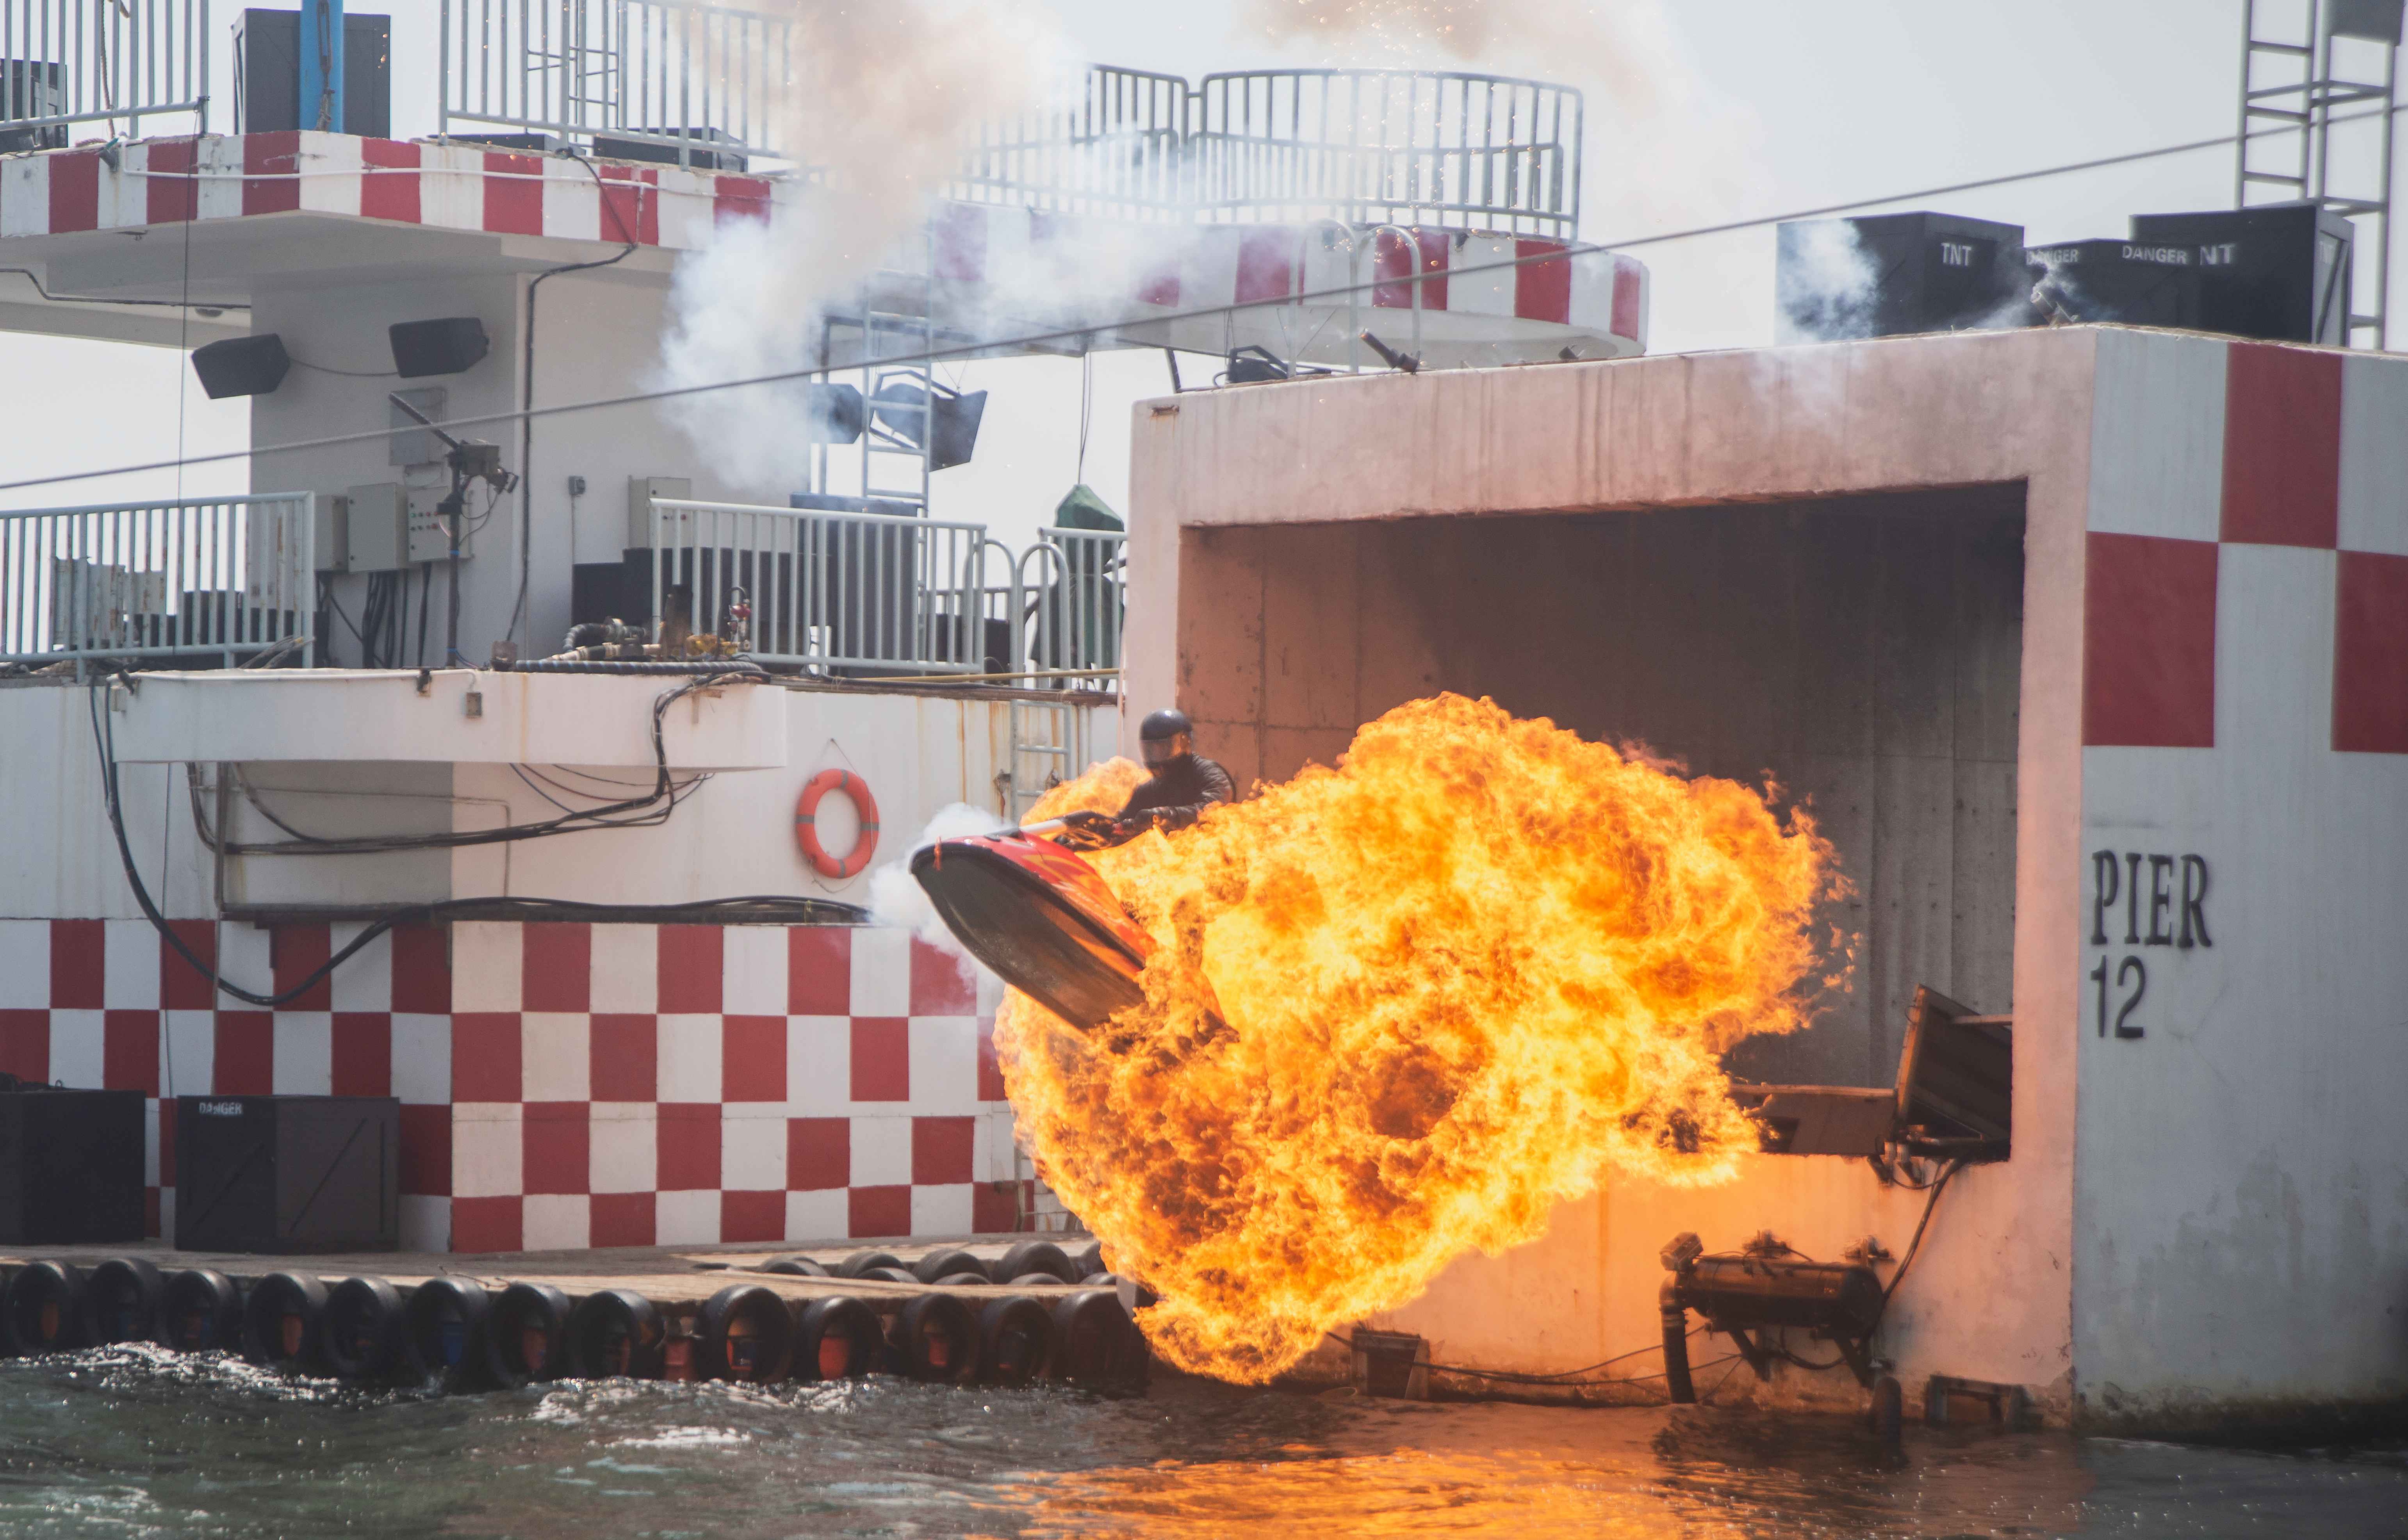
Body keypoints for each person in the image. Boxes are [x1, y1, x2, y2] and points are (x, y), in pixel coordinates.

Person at [1061, 708, 1233, 847]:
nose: (1156, 757)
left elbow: (1213, 810)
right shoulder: (1150, 789)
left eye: (1164, 748)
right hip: (1175, 867)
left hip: (1217, 862)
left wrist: (1164, 816)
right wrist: (1087, 833)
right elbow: (1120, 827)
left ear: (1184, 743)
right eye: (1151, 750)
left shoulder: (1209, 773)